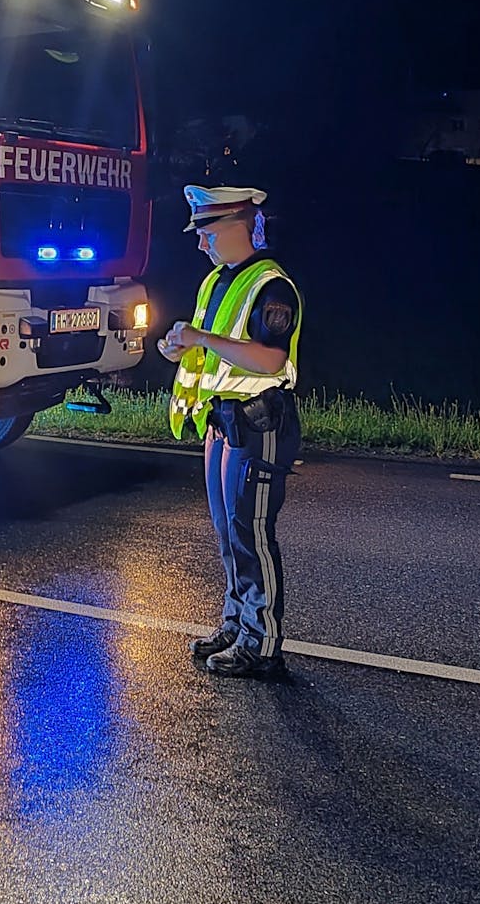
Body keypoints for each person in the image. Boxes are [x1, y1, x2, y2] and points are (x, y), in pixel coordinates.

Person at [159, 185, 303, 678]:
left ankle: (261, 645)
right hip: (221, 424)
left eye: (207, 233)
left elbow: (270, 358)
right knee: (228, 532)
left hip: (259, 423)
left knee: (252, 533)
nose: (201, 245)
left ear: (239, 226)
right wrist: (180, 347)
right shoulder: (216, 282)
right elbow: (215, 350)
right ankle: (237, 623)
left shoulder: (272, 287)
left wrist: (201, 338)